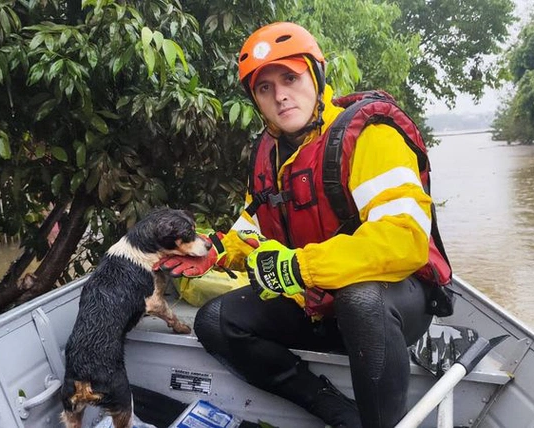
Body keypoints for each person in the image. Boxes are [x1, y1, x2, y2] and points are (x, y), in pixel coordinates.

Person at [157, 22, 453, 428]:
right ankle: (336, 412)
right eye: (265, 88)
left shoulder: (370, 135)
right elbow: (253, 225)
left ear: (315, 76)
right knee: (215, 321)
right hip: (317, 303)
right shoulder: (267, 154)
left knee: (360, 298)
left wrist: (299, 267)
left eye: (290, 78)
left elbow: (404, 239)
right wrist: (218, 251)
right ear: (256, 100)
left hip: (390, 308)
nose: (280, 95)